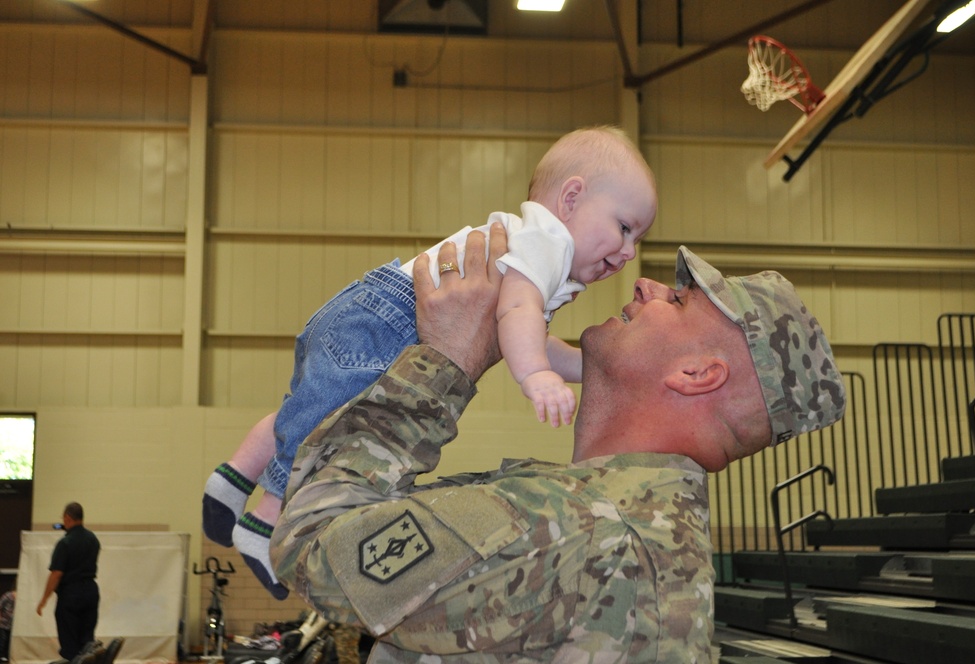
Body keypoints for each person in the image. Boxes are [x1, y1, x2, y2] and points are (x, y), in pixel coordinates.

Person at [268, 227, 847, 662]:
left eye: (677, 301)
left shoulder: (579, 527)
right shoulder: (608, 518)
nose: (646, 285)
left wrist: (445, 364)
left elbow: (313, 548)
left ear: (698, 373)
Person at [202, 126, 659, 598]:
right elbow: (518, 314)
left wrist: (593, 366)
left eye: (637, 238)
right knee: (322, 430)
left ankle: (230, 480)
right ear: (571, 197)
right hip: (389, 322)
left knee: (306, 408)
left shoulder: (534, 247)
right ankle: (263, 524)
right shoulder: (549, 242)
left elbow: (528, 335)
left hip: (367, 309)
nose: (628, 252)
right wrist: (536, 376)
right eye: (624, 227)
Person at [36, 503, 101, 662]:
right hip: (91, 592)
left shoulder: (65, 543)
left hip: (71, 594)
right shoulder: (93, 539)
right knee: (87, 641)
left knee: (70, 642)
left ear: (67, 517)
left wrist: (44, 600)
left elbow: (56, 574)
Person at [0, 585, 14, 663]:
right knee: (3, 639)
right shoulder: (8, 596)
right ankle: (1, 655)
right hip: (3, 623)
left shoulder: (22, 599)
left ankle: (6, 655)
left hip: (12, 625)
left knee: (9, 640)